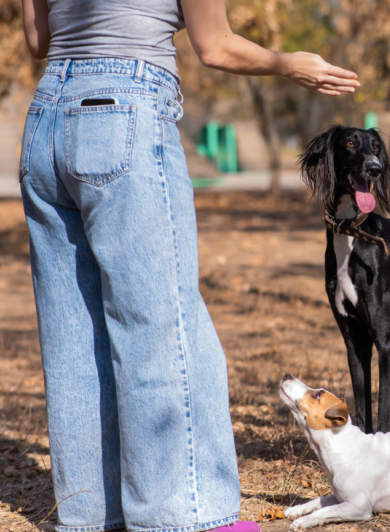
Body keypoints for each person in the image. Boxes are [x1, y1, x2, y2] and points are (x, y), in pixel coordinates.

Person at [19, 1, 359, 531]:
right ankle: (185, 518)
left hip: (44, 123)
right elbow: (215, 46)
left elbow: (38, 41)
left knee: (74, 337)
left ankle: (89, 515)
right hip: (122, 111)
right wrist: (288, 62)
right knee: (161, 326)